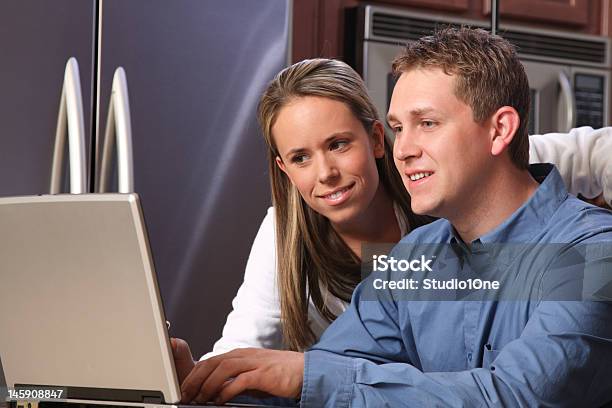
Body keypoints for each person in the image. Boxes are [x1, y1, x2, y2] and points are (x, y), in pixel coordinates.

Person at [178, 29, 612, 406]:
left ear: (499, 130)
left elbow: (519, 396)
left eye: (426, 123)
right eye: (399, 127)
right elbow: (319, 376)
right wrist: (205, 384)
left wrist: (308, 377)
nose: (403, 150)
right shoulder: (416, 257)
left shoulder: (592, 253)